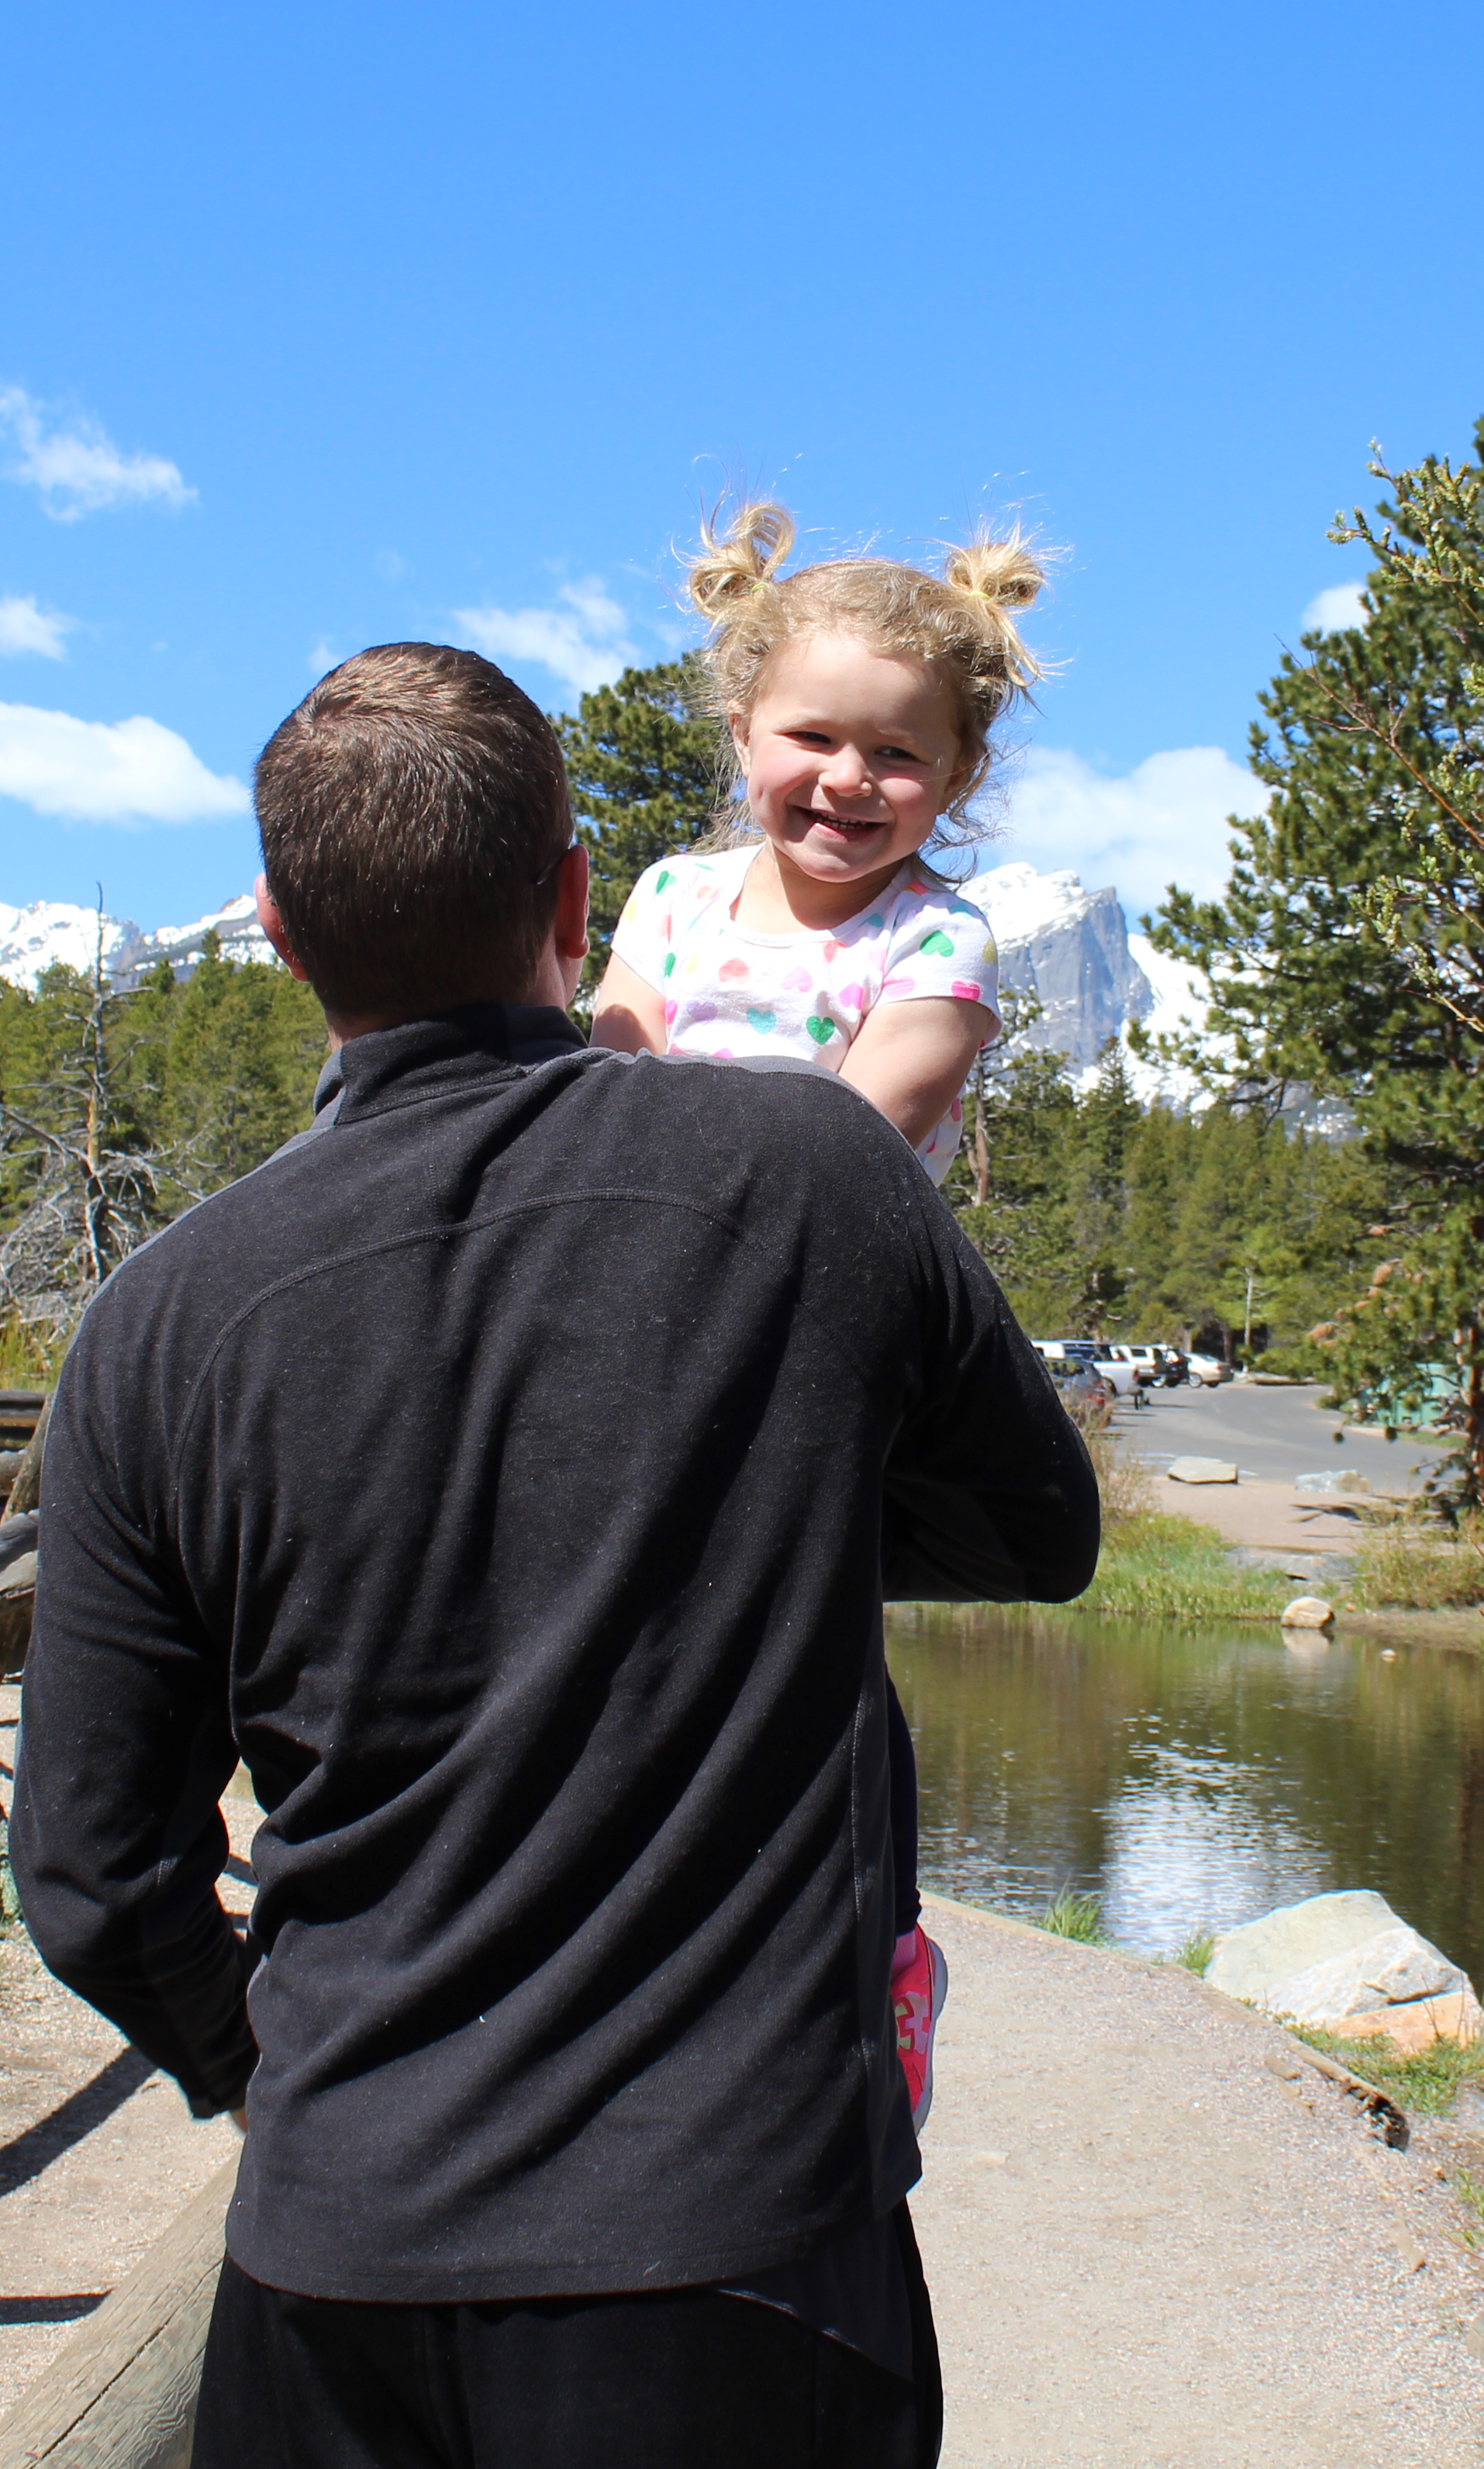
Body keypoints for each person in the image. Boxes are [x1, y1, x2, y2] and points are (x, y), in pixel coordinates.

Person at [13, 642, 1100, 2469]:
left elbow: (93, 1875)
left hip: (332, 2264)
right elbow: (1039, 1536)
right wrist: (770, 1500)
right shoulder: (816, 1176)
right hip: (744, 2255)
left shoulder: (158, 1322)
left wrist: (266, 2076)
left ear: (278, 931)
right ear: (578, 899)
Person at [585, 502, 1041, 2122]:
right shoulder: (668, 897)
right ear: (742, 729)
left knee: (809, 1644)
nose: (850, 781)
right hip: (644, 1325)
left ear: (959, 781)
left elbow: (857, 1129)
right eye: (815, 738)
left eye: (898, 758)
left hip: (820, 1345)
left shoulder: (940, 939)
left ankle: (872, 1956)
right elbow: (607, 1077)